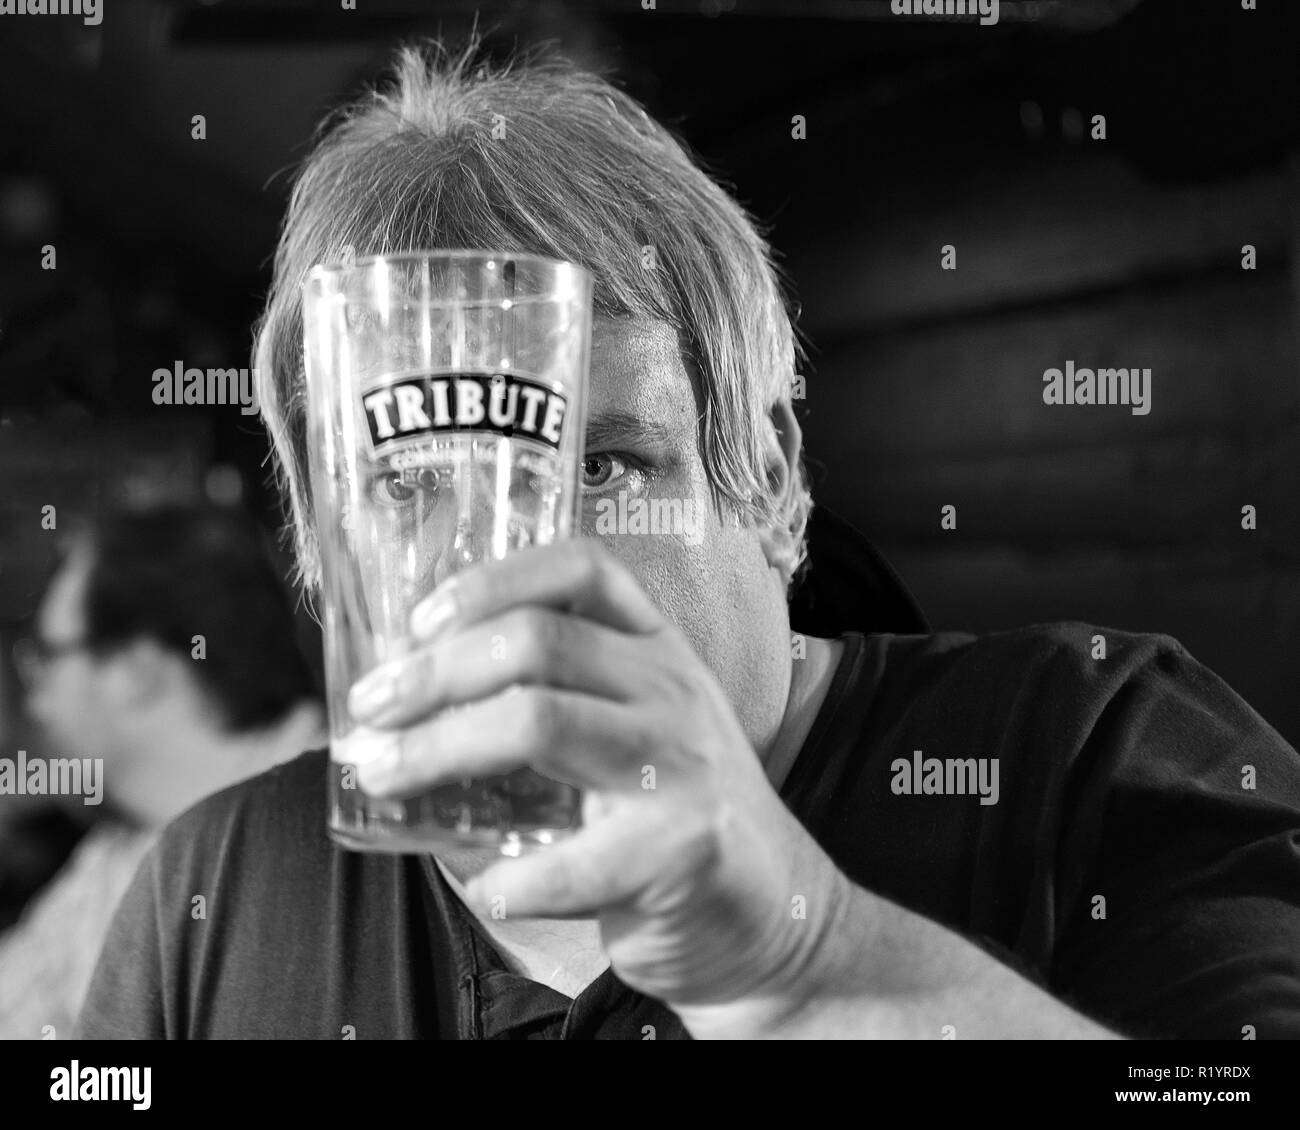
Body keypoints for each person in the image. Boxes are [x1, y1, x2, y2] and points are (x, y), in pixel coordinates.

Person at [77, 35, 1300, 1040]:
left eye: (602, 465)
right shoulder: (216, 887)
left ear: (766, 474)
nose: (498, 571)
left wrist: (803, 958)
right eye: (407, 484)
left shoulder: (1094, 747)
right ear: (313, 545)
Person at [0, 504, 326, 1039]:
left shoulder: (362, 818)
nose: (35, 699)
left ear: (138, 670)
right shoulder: (112, 860)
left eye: (49, 655)